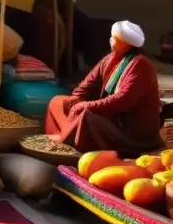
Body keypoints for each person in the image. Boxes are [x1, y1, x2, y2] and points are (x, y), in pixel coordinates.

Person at [45, 20, 162, 157]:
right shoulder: (109, 60)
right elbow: (86, 86)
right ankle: (68, 135)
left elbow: (121, 101)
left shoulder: (141, 65)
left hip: (129, 132)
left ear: (126, 43)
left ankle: (67, 139)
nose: (110, 40)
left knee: (86, 116)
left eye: (114, 38)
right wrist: (76, 100)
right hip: (108, 115)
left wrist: (86, 105)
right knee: (58, 102)